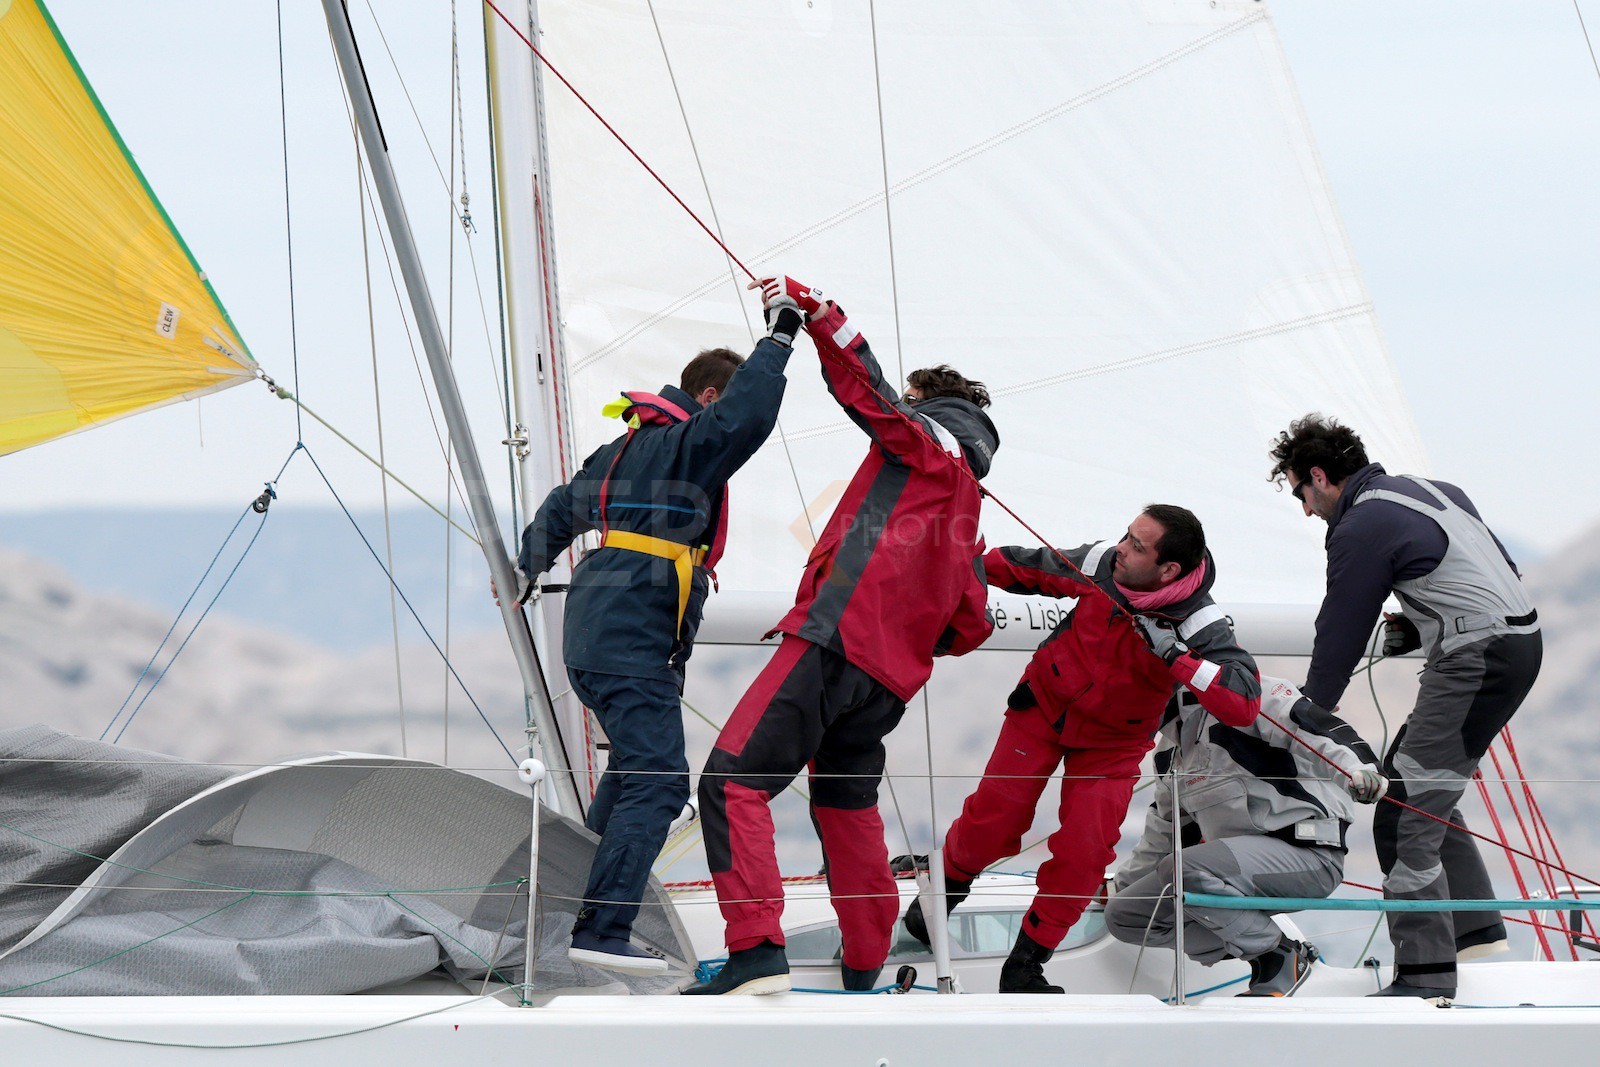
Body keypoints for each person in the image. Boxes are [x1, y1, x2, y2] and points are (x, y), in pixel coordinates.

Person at [685, 276, 999, 996]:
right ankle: (866, 960)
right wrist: (910, 634)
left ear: (927, 403)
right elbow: (973, 620)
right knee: (844, 803)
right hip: (886, 681)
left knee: (732, 782)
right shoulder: (968, 502)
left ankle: (757, 952)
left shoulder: (922, 443)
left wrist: (819, 315)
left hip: (833, 642)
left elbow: (869, 391)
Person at [509, 301, 801, 975]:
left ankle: (566, 906)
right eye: (717, 410)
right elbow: (749, 415)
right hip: (632, 635)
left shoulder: (625, 449)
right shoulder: (687, 442)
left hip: (595, 633)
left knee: (630, 776)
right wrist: (782, 334)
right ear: (706, 398)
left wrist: (528, 564)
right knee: (662, 782)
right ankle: (601, 928)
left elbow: (560, 508)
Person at [904, 506, 1261, 993]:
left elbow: (1242, 702)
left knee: (1084, 854)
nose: (1121, 547)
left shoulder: (1201, 624)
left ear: (1168, 570)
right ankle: (942, 893)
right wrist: (951, 561)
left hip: (1113, 745)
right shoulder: (1101, 564)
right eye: (1126, 535)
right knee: (995, 821)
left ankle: (1027, 964)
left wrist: (1176, 656)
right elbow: (1023, 566)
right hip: (1042, 709)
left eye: (1137, 545)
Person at [1268, 414, 1541, 1001]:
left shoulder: (1361, 525)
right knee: (1416, 784)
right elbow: (1491, 577)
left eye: (1300, 493)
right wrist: (1421, 629)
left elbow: (1342, 626)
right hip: (1517, 646)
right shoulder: (1435, 491)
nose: (1306, 509)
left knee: (1404, 809)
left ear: (1319, 476)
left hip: (1476, 663)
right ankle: (1475, 933)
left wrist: (1315, 708)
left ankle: (1423, 978)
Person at [1105, 676, 1387, 997]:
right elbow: (1165, 831)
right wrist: (1117, 887)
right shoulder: (1168, 753)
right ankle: (1263, 953)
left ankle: (1275, 955)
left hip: (1307, 856)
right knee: (1127, 915)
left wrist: (1360, 769)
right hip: (1230, 873)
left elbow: (1310, 724)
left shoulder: (1244, 695)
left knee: (1183, 870)